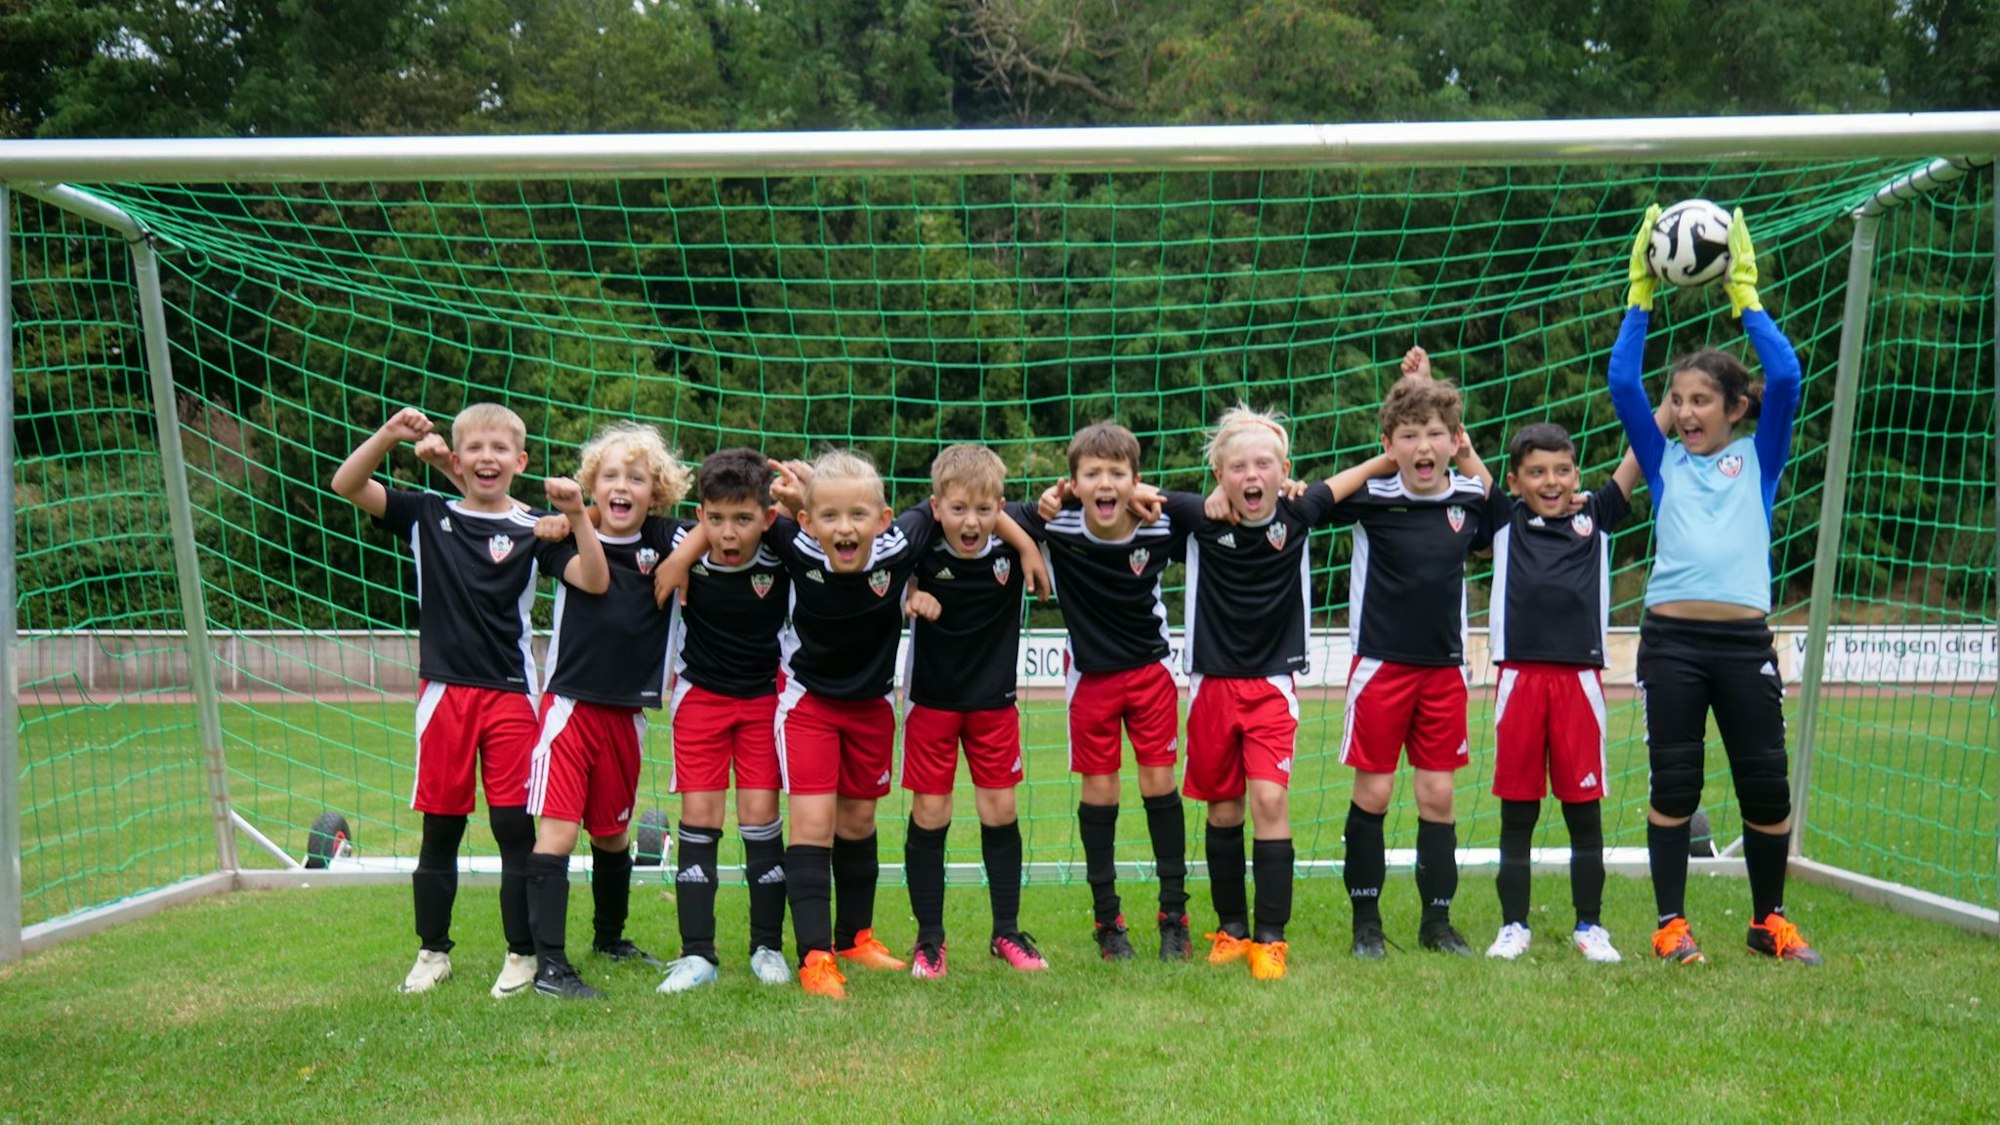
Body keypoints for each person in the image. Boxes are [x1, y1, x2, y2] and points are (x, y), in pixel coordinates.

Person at [330, 403, 606, 996]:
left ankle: (522, 954)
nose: (487, 458)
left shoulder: (535, 527)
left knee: (513, 828)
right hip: (444, 694)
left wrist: (576, 517)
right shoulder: (426, 513)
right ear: (455, 460)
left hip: (511, 696)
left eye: (500, 448)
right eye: (475, 448)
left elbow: (594, 579)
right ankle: (432, 952)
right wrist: (389, 434)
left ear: (520, 461)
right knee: (442, 829)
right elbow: (346, 484)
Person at [1612, 204, 1821, 965]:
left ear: (1735, 408)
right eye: (1679, 401)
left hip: (1743, 644)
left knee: (1766, 787)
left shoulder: (1758, 459)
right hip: (1671, 644)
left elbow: (1787, 375)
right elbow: (1622, 381)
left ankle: (1769, 922)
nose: (1686, 411)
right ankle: (1671, 924)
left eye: (1702, 400)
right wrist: (1640, 295)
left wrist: (1746, 298)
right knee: (1675, 785)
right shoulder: (1662, 460)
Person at [1021, 423, 1207, 962]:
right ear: (1074, 483)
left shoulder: (1160, 524)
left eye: (1118, 474)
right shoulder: (1060, 524)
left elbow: (1212, 509)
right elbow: (995, 513)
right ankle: (1108, 922)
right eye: (1093, 474)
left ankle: (1174, 917)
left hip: (1150, 673)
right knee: (1100, 794)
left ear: (1136, 479)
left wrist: (1152, 495)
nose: (1105, 483)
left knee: (1159, 785)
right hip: (1091, 679)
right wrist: (1037, 524)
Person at [1329, 355, 1494, 959]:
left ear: (1455, 441)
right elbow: (1315, 501)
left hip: (1444, 671)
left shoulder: (1469, 498)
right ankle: (1366, 926)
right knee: (1373, 794)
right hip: (1381, 668)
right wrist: (1385, 456)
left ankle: (1437, 924)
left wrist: (1461, 447)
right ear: (1388, 445)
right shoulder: (1370, 497)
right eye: (1407, 437)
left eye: (1435, 435)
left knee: (1438, 798)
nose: (1422, 447)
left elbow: (1502, 513)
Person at [1180, 406, 1348, 980]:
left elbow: (1358, 475)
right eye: (1238, 467)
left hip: (1272, 684)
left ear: (1284, 471)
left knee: (1270, 801)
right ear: (1219, 475)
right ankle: (1232, 929)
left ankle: (1271, 938)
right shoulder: (1197, 518)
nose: (1252, 475)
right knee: (1223, 808)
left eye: (1264, 465)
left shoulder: (1299, 512)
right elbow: (1134, 494)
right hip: (1211, 684)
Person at [1482, 418, 1649, 964]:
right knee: (1518, 813)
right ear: (1514, 482)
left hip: (1580, 682)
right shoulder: (1504, 519)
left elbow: (1638, 454)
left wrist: (1671, 408)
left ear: (1576, 475)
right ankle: (1513, 925)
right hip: (1520, 681)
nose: (1551, 482)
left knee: (1584, 813)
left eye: (1561, 470)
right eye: (1536, 472)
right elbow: (1458, 449)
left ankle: (1590, 925)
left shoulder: (1595, 517)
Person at [898, 444, 1050, 978]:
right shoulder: (919, 543)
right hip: (932, 703)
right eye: (958, 508)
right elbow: (885, 555)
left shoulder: (1014, 538)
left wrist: (1027, 544)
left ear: (1000, 508)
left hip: (994, 705)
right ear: (937, 506)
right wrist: (911, 596)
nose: (971, 521)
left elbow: (1068, 505)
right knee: (931, 814)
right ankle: (929, 940)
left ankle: (1006, 931)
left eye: (984, 510)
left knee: (1001, 811)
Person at [654, 448, 796, 993]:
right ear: (699, 516)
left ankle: (767, 947)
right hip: (701, 700)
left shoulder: (783, 550)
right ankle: (697, 954)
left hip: (763, 702)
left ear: (767, 517)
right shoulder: (677, 543)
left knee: (761, 817)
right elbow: (620, 515)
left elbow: (823, 530)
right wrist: (682, 554)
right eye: (714, 519)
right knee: (700, 817)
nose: (728, 533)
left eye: (743, 519)